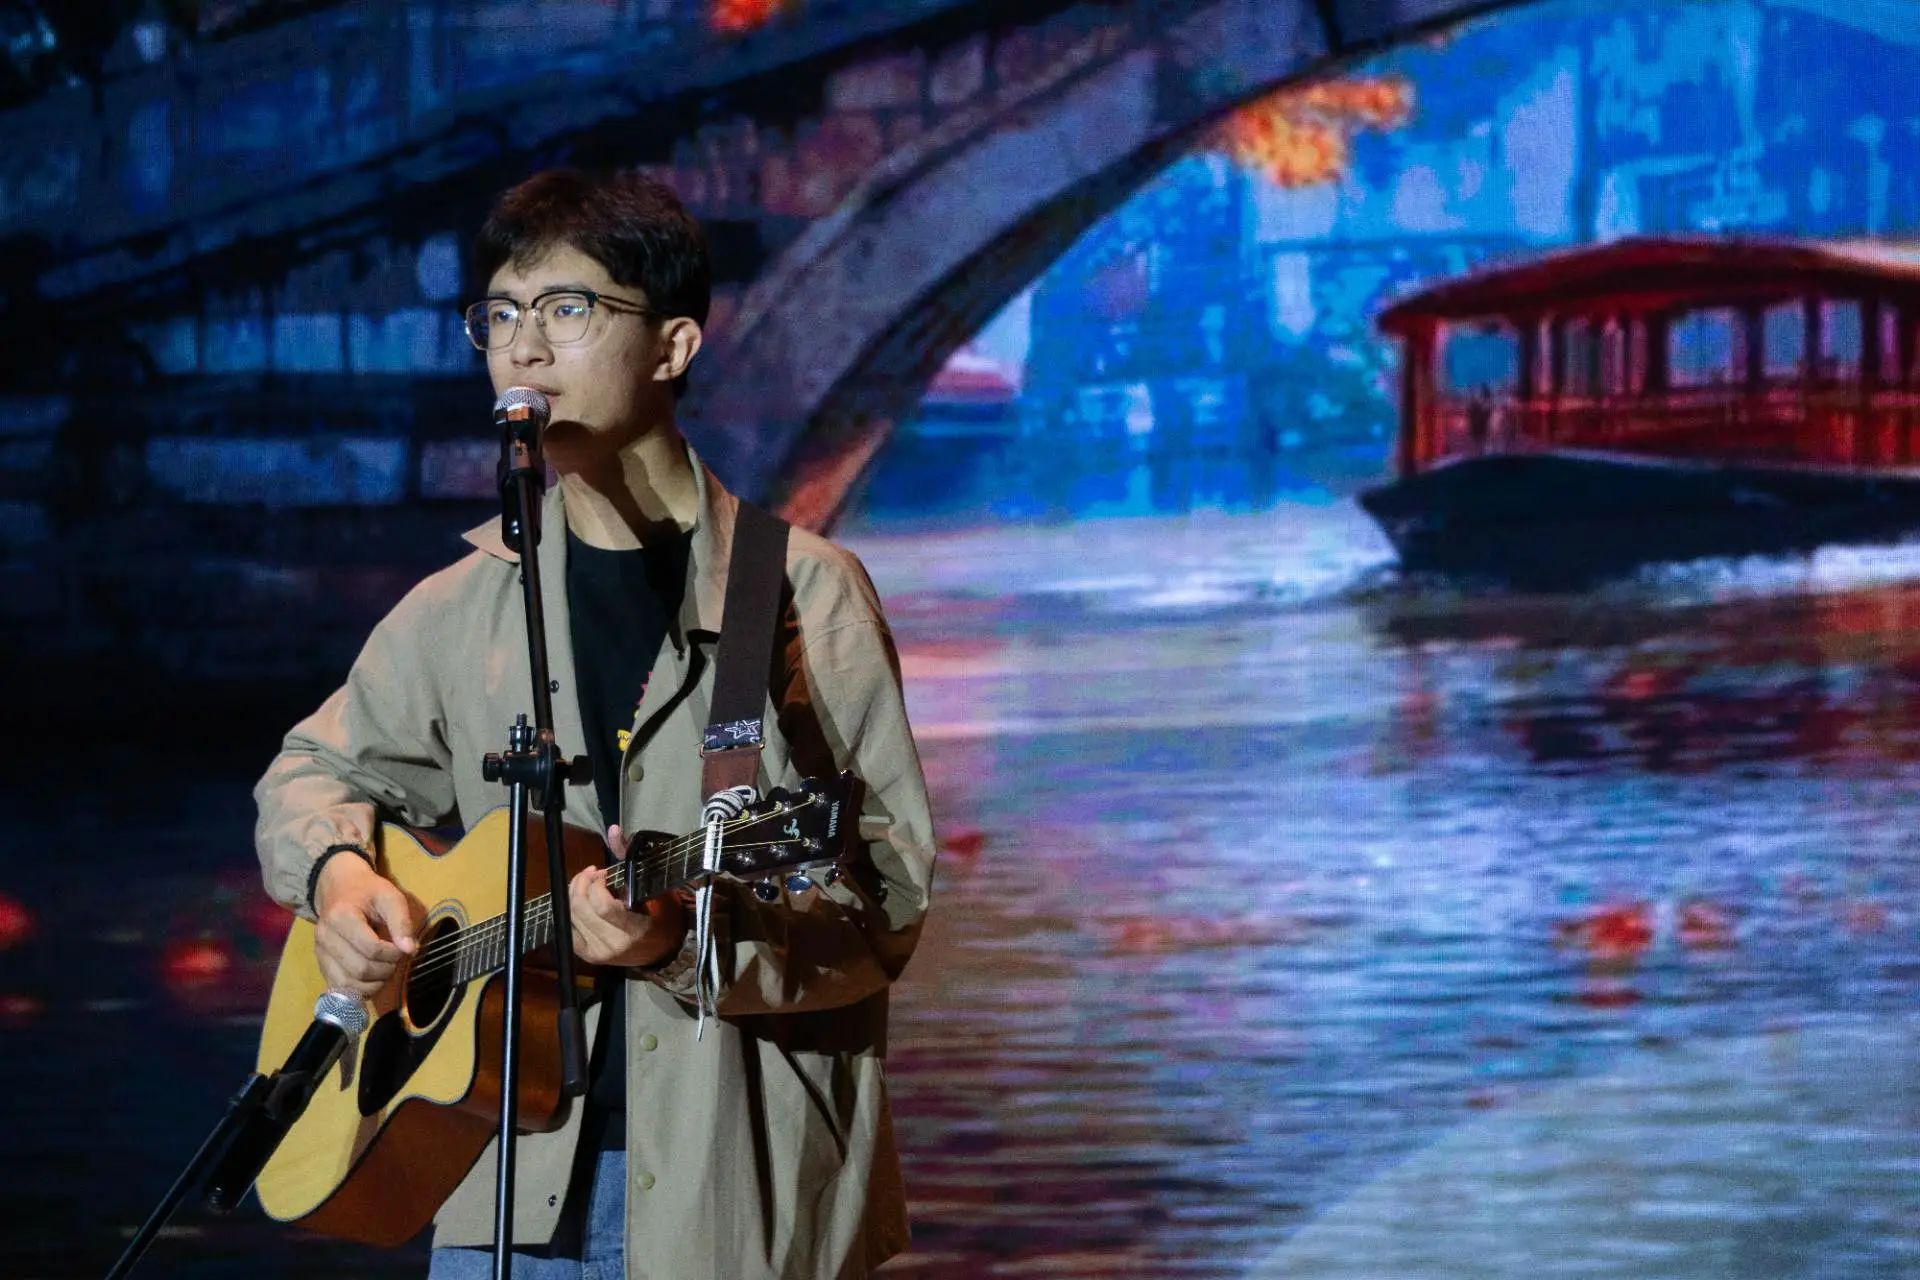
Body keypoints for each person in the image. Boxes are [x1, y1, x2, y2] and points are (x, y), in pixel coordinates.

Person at [254, 168, 937, 1279]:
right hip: (499, 1194)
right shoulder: (463, 604)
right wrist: (339, 878)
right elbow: (310, 770)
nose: (523, 348)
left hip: (729, 1204)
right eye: (500, 315)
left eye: (567, 309)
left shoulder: (800, 596)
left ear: (673, 346)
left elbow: (884, 899)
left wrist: (675, 943)